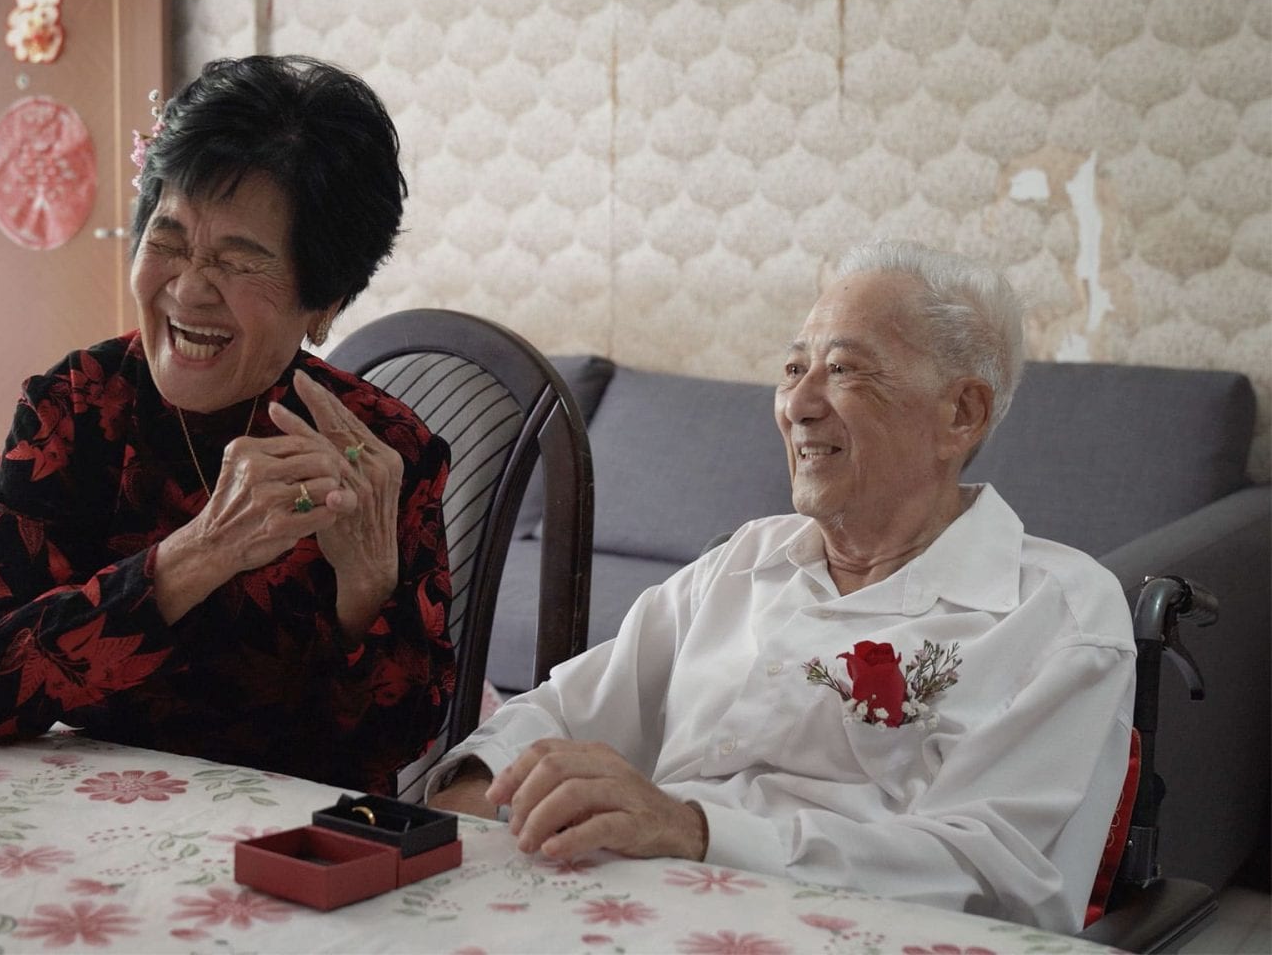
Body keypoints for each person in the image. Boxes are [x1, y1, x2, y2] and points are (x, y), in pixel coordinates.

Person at [426, 240, 1135, 933]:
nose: (798, 403)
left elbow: (991, 879)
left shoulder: (1060, 613)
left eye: (844, 370)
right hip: (635, 915)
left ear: (962, 414)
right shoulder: (743, 560)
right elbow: (563, 709)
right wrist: (477, 789)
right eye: (793, 367)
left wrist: (697, 831)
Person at [0, 55, 455, 795]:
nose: (186, 290)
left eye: (239, 263)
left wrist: (367, 587)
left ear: (325, 302)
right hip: (89, 822)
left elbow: (395, 748)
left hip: (288, 854)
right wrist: (200, 553)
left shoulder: (380, 458)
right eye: (170, 241)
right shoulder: (77, 409)